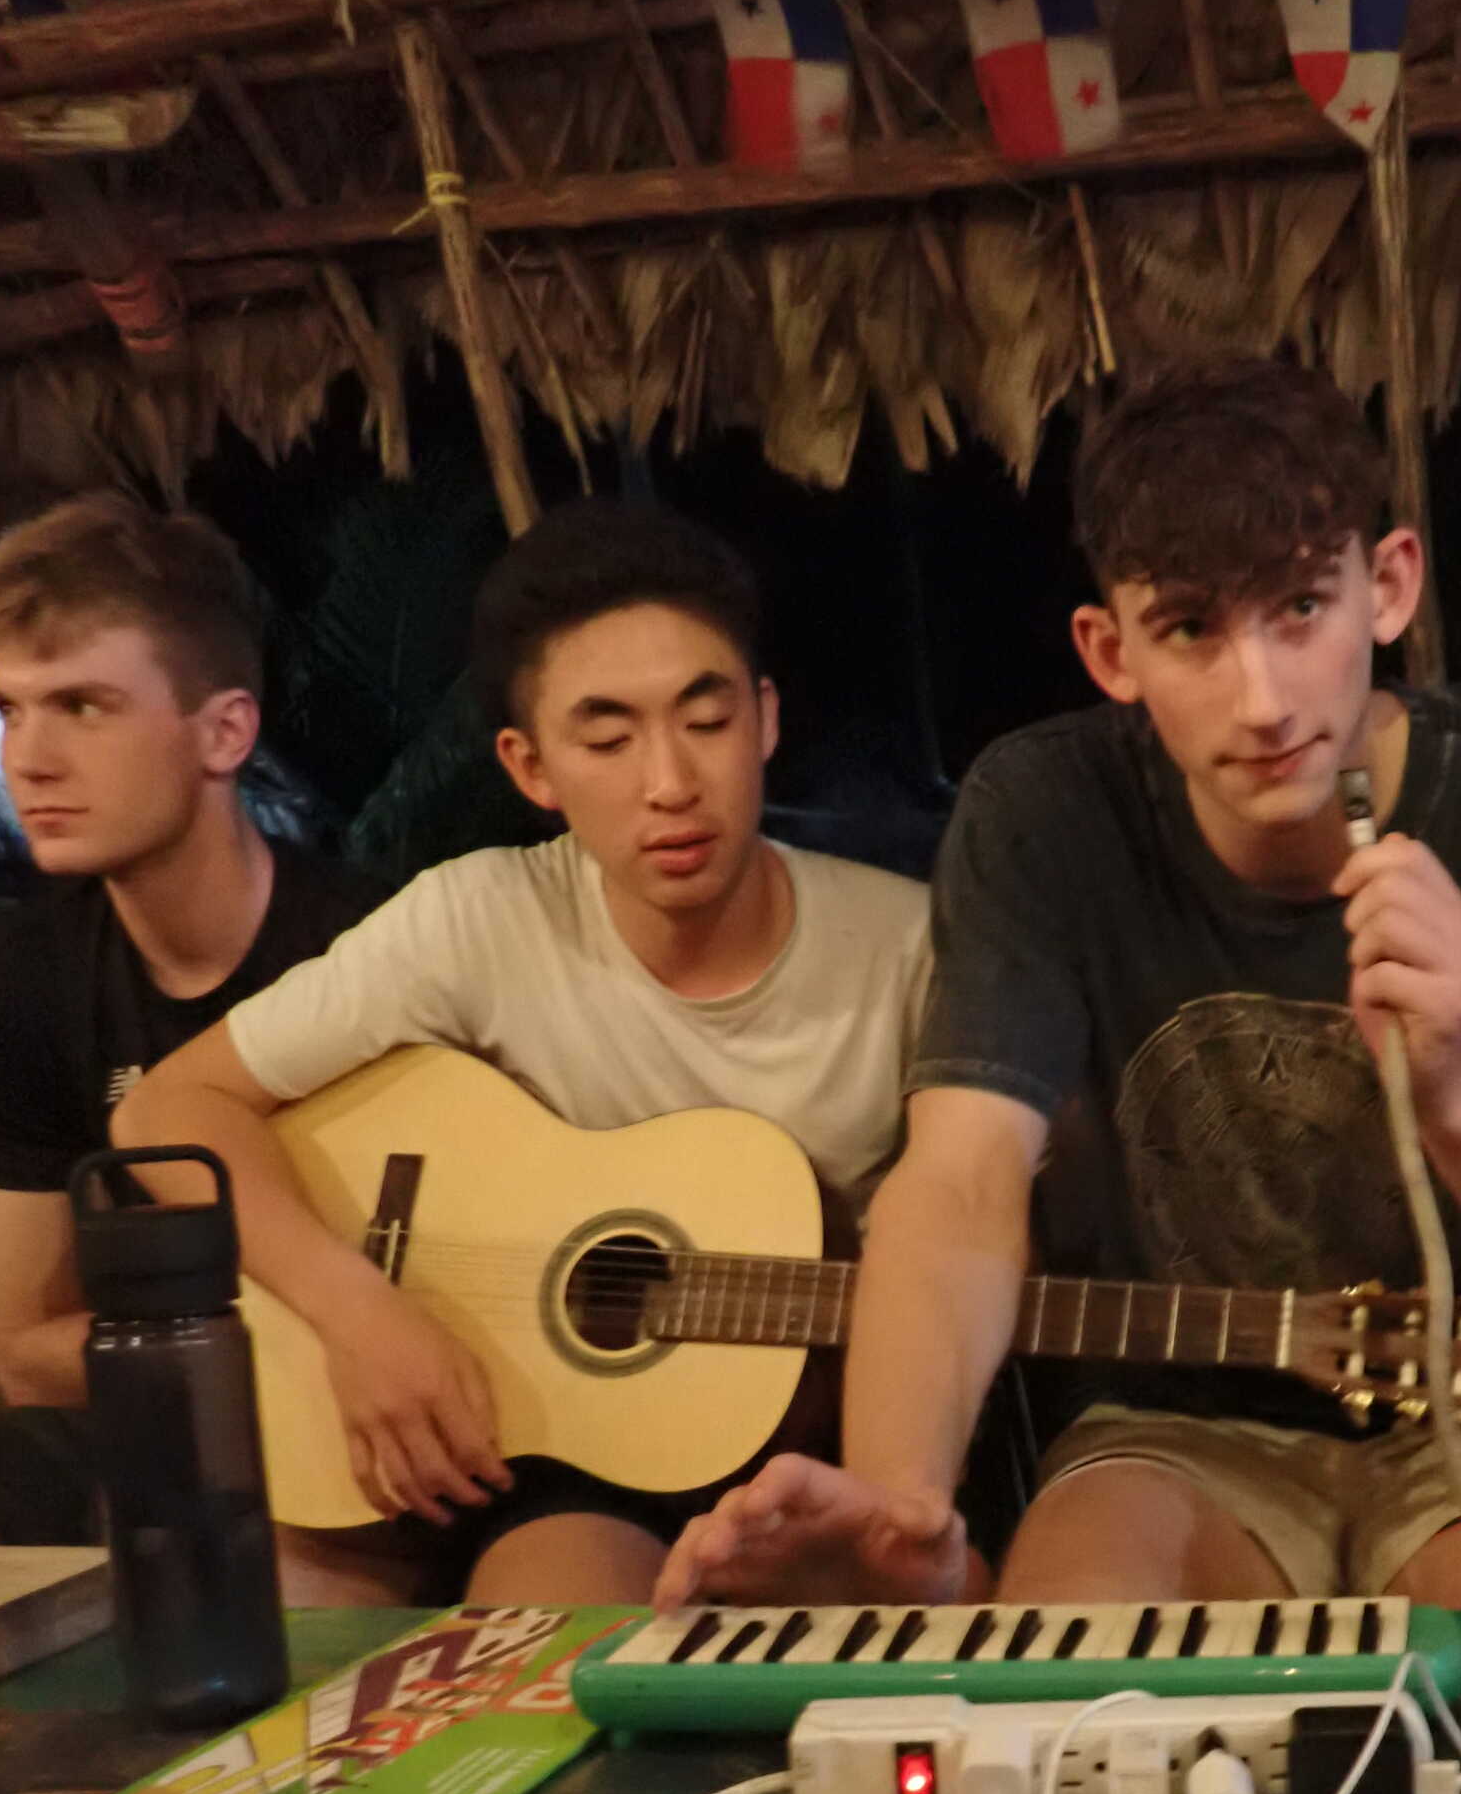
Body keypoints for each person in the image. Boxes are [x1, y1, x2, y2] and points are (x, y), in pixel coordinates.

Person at [659, 358, 1461, 1616]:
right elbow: (961, 1179)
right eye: (1191, 629)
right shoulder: (1047, 810)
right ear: (1109, 650)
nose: (1263, 700)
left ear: (1390, 586)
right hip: (1174, 1433)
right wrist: (898, 1503)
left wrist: (1456, 1095)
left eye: (1301, 607)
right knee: (1080, 1664)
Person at [117, 500, 931, 1608]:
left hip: (809, 1465)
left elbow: (972, 1244)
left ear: (765, 720)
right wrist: (359, 1313)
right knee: (506, 1649)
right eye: (607, 740)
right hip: (557, 1468)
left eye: (706, 720)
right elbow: (168, 1110)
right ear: (530, 767)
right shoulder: (479, 920)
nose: (670, 782)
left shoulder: (909, 950)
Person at [0, 492, 375, 1547]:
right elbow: (25, 1352)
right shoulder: (15, 984)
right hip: (143, 1417)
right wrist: (241, 1339)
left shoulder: (374, 950)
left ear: (223, 731)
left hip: (359, 1422)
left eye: (83, 707)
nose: (30, 759)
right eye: (12, 710)